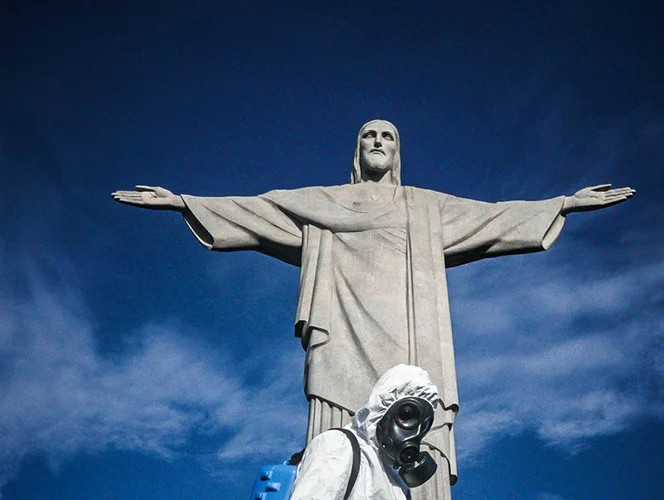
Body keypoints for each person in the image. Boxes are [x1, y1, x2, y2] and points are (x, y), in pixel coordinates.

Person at [112, 119, 635, 499]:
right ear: (356, 150)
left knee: (412, 419)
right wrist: (184, 202)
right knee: (337, 443)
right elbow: (259, 209)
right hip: (342, 331)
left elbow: (492, 219)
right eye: (369, 135)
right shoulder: (321, 203)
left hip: (410, 335)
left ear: (398, 150)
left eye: (388, 136)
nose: (378, 142)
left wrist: (562, 204)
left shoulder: (424, 207)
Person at [290, 364, 439, 500]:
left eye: (423, 426)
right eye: (406, 415)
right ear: (385, 408)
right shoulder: (338, 445)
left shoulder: (398, 484)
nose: (414, 433)